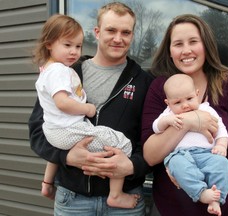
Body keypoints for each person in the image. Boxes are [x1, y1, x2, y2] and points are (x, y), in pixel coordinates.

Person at [29, 2, 153, 215]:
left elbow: (152, 141)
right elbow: (39, 131)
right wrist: (66, 157)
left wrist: (132, 166)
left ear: (132, 36)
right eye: (111, 30)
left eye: (125, 32)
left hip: (126, 202)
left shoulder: (144, 82)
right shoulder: (66, 72)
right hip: (73, 199)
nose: (118, 38)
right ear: (97, 32)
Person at [141, 14, 228, 216]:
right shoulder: (160, 88)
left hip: (226, 205)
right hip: (171, 207)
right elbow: (151, 156)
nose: (186, 50)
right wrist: (189, 122)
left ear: (206, 46)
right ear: (170, 52)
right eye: (178, 44)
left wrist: (212, 179)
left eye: (193, 42)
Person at [153, 73, 228, 215]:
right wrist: (167, 121)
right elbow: (156, 127)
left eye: (189, 99)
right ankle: (200, 192)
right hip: (181, 154)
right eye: (177, 102)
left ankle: (216, 200)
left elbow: (221, 130)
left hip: (207, 153)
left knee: (223, 165)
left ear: (197, 94)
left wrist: (221, 145)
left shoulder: (206, 110)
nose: (185, 105)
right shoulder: (169, 114)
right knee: (176, 165)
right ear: (168, 103)